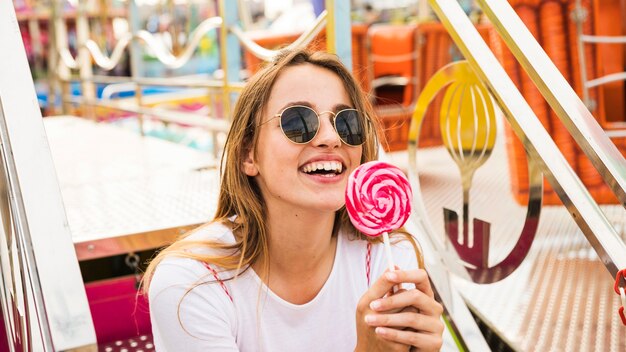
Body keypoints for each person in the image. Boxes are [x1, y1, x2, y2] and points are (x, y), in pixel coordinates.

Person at [143, 48, 444, 351]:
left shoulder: (387, 257)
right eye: (298, 122)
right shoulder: (189, 283)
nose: (331, 137)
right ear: (249, 153)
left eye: (347, 123)